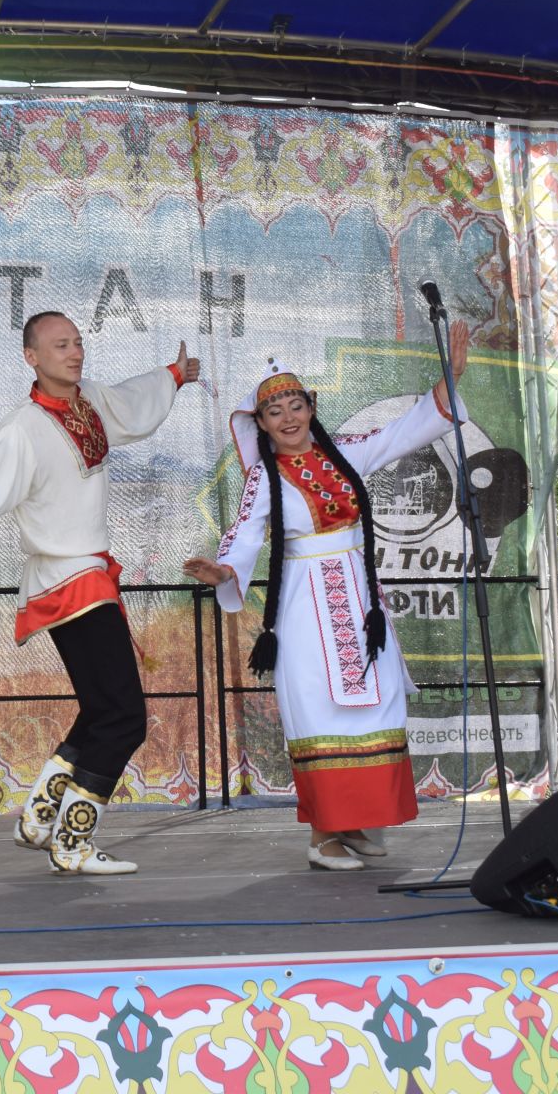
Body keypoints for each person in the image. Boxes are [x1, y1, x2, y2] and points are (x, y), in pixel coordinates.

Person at [0, 313, 199, 875]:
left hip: (86, 576)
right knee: (124, 717)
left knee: (103, 710)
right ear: (31, 356)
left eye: (78, 342)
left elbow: (133, 402)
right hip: (70, 579)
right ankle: (73, 844)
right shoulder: (25, 426)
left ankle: (41, 813)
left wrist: (174, 375)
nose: (74, 352)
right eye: (60, 345)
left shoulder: (91, 404)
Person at [181, 321, 469, 871]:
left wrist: (450, 377)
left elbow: (407, 430)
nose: (288, 418)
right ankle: (322, 836)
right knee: (319, 712)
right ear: (260, 424)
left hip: (362, 605)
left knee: (378, 702)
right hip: (305, 605)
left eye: (295, 405)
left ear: (311, 407)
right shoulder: (264, 478)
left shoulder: (347, 454)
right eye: (275, 411)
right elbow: (243, 535)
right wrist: (223, 573)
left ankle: (355, 823)